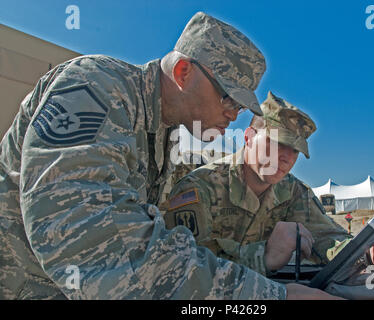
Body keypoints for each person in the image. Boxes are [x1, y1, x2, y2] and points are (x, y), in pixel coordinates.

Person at [0, 12, 338, 300]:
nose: (234, 114)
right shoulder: (99, 89)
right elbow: (89, 242)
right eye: (229, 99)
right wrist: (267, 296)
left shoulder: (161, 134)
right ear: (183, 73)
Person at [164, 91, 374, 277]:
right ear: (249, 137)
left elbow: (328, 239)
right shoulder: (200, 188)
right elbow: (185, 270)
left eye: (295, 150)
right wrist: (264, 255)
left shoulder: (294, 191)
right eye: (276, 143)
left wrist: (367, 254)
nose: (286, 157)